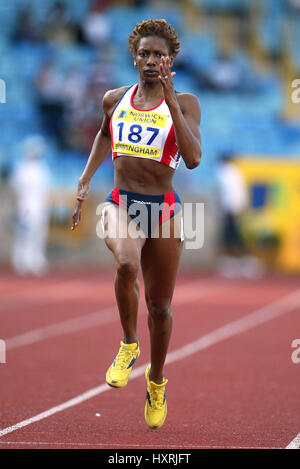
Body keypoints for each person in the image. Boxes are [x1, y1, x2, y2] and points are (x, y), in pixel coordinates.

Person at [71, 19, 202, 429]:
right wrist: (86, 178)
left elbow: (194, 158)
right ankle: (129, 343)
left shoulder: (187, 102)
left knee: (160, 308)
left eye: (158, 55)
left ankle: (156, 380)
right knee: (126, 265)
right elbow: (105, 137)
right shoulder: (114, 98)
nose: (150, 60)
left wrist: (172, 102)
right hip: (120, 202)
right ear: (134, 57)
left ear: (170, 60)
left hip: (162, 207)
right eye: (144, 53)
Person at [10, 135, 51, 276]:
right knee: (23, 233)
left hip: (40, 205)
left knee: (39, 233)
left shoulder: (42, 167)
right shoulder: (21, 168)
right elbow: (15, 189)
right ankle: (21, 261)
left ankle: (36, 261)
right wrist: (15, 207)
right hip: (25, 205)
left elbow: (45, 190)